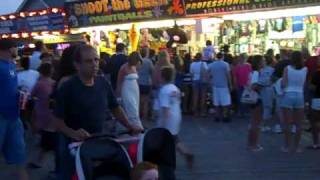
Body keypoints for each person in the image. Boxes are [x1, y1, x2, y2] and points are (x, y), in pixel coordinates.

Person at [53, 44, 143, 179]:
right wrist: (73, 133)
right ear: (77, 65)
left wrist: (130, 126)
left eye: (96, 60)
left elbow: (115, 108)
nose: (95, 64)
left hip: (98, 142)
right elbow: (56, 121)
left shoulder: (103, 83)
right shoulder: (67, 87)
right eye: (89, 61)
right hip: (72, 147)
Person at [0, 39, 29, 180]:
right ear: (9, 49)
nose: (18, 50)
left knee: (19, 155)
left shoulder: (11, 65)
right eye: (16, 47)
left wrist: (20, 94)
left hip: (14, 116)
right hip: (1, 117)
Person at [158, 66, 194, 169]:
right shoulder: (175, 88)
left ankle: (166, 162)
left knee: (165, 141)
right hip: (176, 116)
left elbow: (166, 109)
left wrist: (163, 125)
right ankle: (186, 153)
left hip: (168, 119)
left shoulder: (164, 90)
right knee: (174, 140)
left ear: (163, 77)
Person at [29, 63, 57, 174]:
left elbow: (31, 95)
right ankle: (41, 162)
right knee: (48, 141)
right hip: (52, 115)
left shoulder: (39, 84)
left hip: (42, 113)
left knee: (47, 141)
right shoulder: (55, 83)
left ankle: (42, 162)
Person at [281, 51, 307, 153]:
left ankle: (287, 146)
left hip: (288, 94)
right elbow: (304, 84)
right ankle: (296, 147)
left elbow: (284, 83)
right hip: (300, 95)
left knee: (287, 124)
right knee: (298, 124)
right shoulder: (305, 69)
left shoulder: (287, 69)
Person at [116, 51, 144, 130]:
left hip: (135, 90)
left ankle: (127, 127)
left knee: (134, 107)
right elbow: (119, 82)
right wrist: (118, 96)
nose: (138, 62)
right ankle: (137, 127)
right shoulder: (123, 68)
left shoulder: (134, 67)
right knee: (131, 108)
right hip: (126, 90)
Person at [208, 52, 233, 122]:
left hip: (215, 85)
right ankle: (225, 116)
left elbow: (207, 72)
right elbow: (228, 75)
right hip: (224, 85)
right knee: (225, 102)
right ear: (222, 57)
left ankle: (217, 116)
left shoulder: (212, 65)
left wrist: (210, 79)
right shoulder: (225, 64)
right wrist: (230, 84)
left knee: (216, 102)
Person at [247, 55, 265, 152]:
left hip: (254, 99)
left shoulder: (253, 73)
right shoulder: (256, 73)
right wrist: (262, 87)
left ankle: (251, 143)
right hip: (257, 98)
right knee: (256, 123)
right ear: (259, 63)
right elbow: (253, 86)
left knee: (254, 122)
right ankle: (254, 144)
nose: (264, 62)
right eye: (263, 61)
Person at [17, 57, 40, 129]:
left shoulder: (18, 75)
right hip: (34, 98)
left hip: (24, 99)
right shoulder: (36, 73)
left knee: (23, 113)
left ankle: (24, 124)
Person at [232, 53, 252, 117]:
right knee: (241, 98)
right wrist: (235, 85)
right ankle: (241, 111)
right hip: (241, 84)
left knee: (244, 98)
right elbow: (235, 77)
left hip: (246, 84)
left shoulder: (248, 66)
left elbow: (250, 75)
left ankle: (243, 111)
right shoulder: (238, 67)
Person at [137, 47, 154, 122]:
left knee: (139, 100)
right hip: (147, 83)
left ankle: (139, 116)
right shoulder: (149, 61)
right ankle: (144, 117)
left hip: (138, 82)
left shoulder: (138, 61)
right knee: (146, 101)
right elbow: (152, 71)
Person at [259, 56, 275, 132]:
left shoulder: (262, 70)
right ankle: (264, 125)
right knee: (267, 107)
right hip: (267, 89)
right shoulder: (271, 70)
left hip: (264, 89)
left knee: (266, 107)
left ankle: (264, 124)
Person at [308, 57, 320, 149]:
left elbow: (312, 87)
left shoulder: (316, 73)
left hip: (317, 99)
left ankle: (316, 143)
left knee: (314, 121)